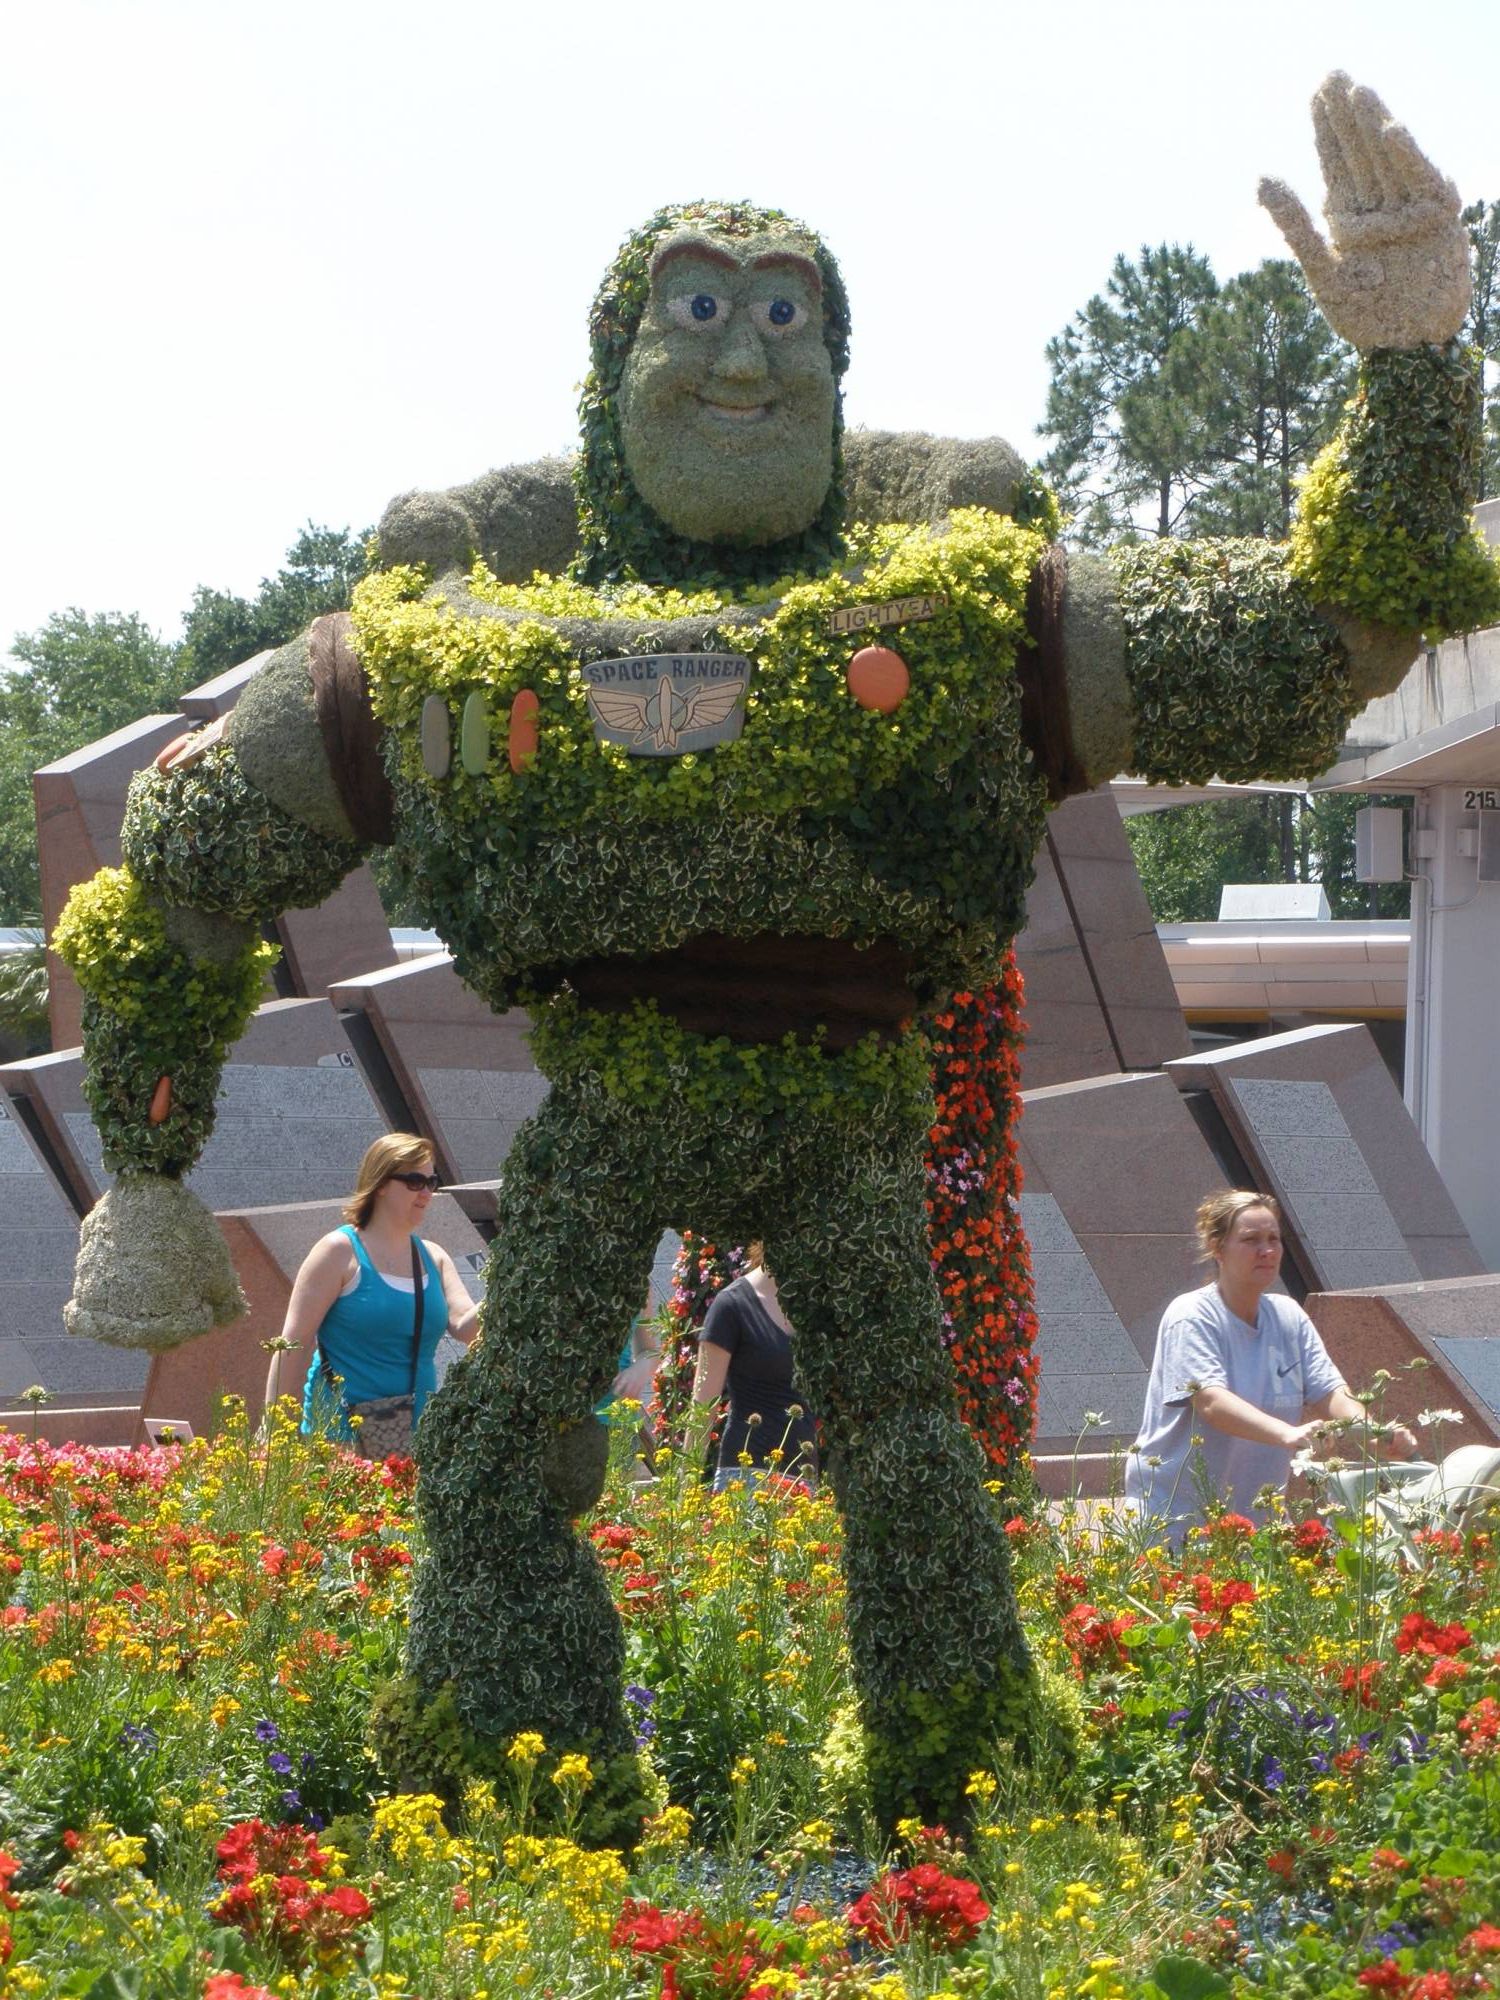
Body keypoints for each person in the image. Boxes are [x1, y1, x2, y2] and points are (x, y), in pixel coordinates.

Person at [1125, 1189, 1418, 1539]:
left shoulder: (1288, 1316)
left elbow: (1331, 1394)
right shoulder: (1191, 1316)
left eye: (1273, 1239)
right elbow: (1211, 1401)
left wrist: (1374, 1434)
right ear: (1218, 1249)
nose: (1266, 1251)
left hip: (1258, 1525)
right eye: (1250, 1240)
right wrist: (1288, 1434)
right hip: (1176, 1523)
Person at [264, 1133, 479, 1451]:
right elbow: (291, 1347)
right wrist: (273, 1439)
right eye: (414, 1181)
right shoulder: (337, 1252)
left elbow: (465, 1328)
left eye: (431, 1182)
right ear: (380, 1183)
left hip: (414, 1443)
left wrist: (509, 1283)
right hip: (340, 1440)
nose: (426, 1193)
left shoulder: (434, 1257)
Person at [691, 1244, 816, 1490]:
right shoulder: (731, 1305)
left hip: (802, 1480)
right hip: (745, 1478)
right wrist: (685, 1490)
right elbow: (702, 1406)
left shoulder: (814, 1306)